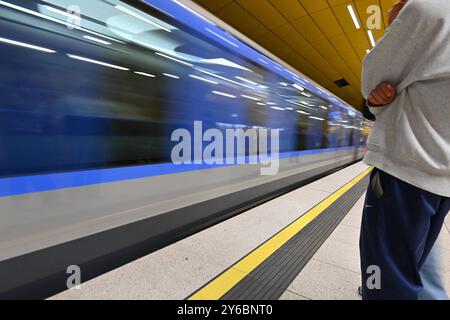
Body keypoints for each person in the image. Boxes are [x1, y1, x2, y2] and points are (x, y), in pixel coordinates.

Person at [359, 0, 450, 300]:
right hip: (441, 182)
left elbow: (373, 76)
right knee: (408, 272)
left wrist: (395, 25)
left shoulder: (428, 9)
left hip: (405, 170)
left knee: (385, 288)